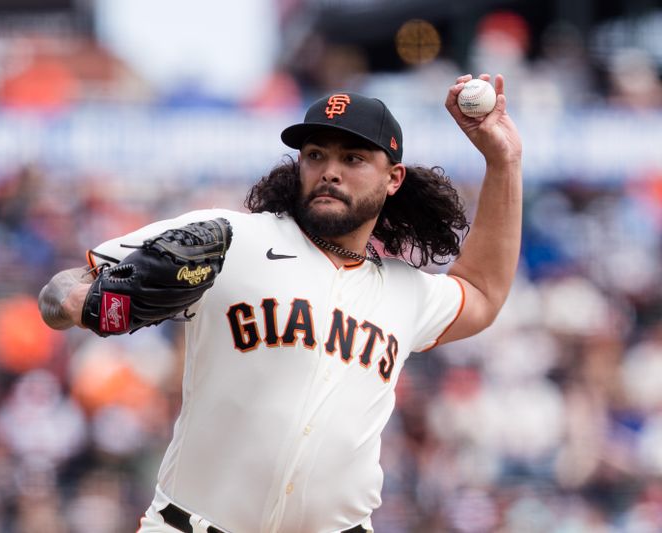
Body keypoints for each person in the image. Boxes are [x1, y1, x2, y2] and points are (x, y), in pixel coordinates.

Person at [38, 73, 522, 533]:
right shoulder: (231, 239)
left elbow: (482, 291)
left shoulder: (404, 291)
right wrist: (89, 301)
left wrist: (503, 163)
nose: (329, 171)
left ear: (393, 178)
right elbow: (58, 293)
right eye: (315, 155)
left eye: (352, 158)